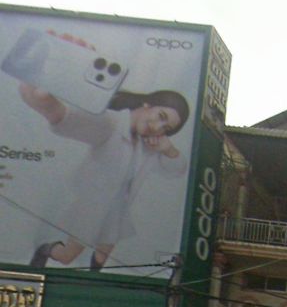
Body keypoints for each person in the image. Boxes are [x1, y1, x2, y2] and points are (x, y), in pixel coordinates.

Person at [19, 82, 190, 271]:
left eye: (166, 128)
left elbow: (177, 169)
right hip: (92, 205)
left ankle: (93, 282)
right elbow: (71, 119)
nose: (157, 127)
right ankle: (46, 249)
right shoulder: (113, 123)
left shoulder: (149, 146)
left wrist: (168, 148)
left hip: (117, 210)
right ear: (147, 104)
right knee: (67, 256)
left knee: (102, 258)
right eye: (161, 116)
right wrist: (47, 103)